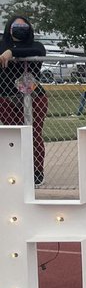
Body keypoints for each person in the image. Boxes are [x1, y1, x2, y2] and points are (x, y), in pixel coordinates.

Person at [0, 16, 49, 185]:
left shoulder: (35, 46)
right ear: (9, 28)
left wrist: (12, 53)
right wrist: (6, 50)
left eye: (24, 26)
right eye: (16, 26)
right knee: (12, 134)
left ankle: (36, 171)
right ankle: (16, 170)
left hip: (34, 97)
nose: (20, 29)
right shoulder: (1, 45)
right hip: (6, 98)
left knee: (34, 134)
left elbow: (39, 52)